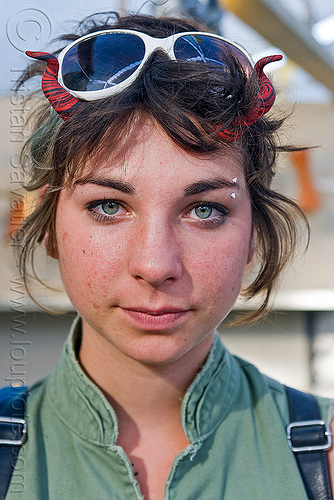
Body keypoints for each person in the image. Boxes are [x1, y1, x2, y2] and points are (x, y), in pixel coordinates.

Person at [3, 11, 334, 500]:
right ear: (50, 227)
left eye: (204, 209)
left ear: (253, 237)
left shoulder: (324, 462)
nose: (156, 266)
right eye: (108, 205)